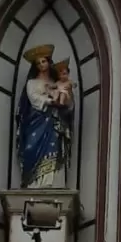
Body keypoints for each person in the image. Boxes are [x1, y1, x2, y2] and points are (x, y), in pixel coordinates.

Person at [16, 46, 74, 188]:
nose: (42, 65)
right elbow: (34, 99)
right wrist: (49, 101)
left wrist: (65, 99)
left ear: (49, 62)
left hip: (53, 121)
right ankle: (34, 183)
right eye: (39, 63)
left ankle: (52, 183)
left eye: (44, 61)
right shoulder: (31, 83)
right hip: (36, 121)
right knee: (31, 148)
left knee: (55, 148)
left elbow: (68, 104)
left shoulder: (57, 82)